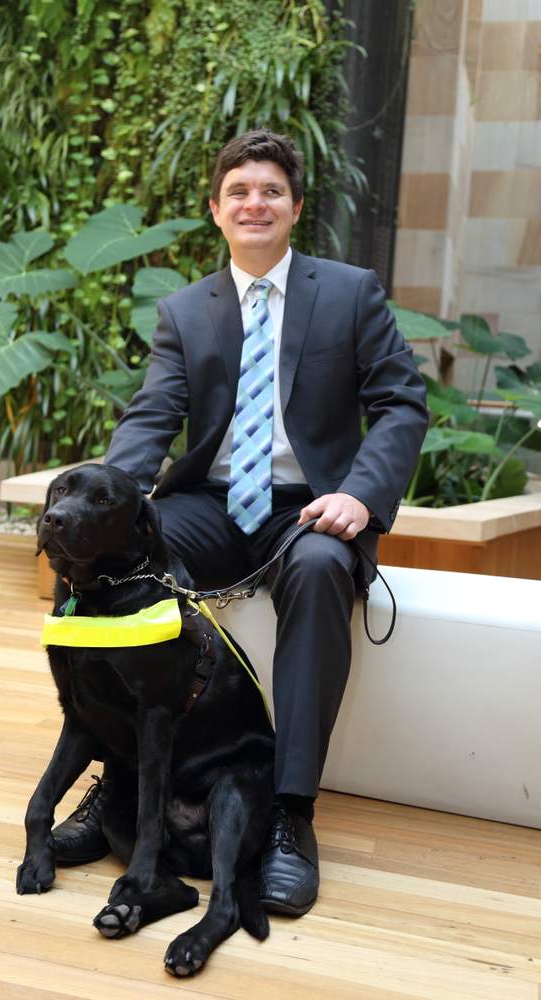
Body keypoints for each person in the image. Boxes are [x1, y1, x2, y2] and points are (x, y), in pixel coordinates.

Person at [52, 129, 428, 915]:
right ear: (216, 212)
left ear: (294, 207)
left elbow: (400, 404)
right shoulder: (187, 311)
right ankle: (116, 780)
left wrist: (360, 495)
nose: (254, 203)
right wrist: (108, 504)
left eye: (270, 191)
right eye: (238, 193)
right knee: (106, 561)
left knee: (324, 568)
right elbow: (153, 417)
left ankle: (290, 813)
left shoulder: (350, 292)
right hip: (212, 502)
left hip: (311, 505)